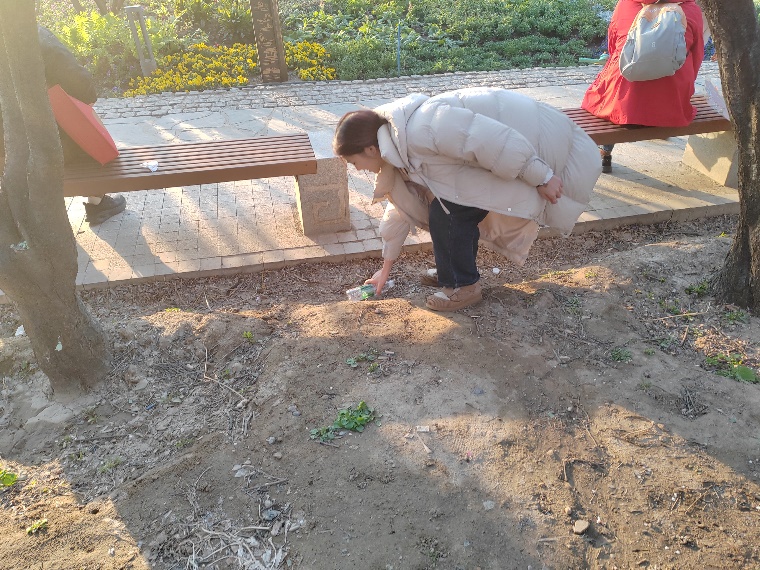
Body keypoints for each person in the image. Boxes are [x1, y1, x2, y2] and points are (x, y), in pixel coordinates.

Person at [333, 87, 602, 312]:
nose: (359, 170)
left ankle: (463, 286)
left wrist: (542, 177)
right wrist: (385, 269)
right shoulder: (395, 148)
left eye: (355, 162)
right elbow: (401, 209)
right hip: (512, 148)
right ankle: (453, 273)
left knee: (448, 214)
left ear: (370, 149)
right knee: (447, 209)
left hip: (543, 142)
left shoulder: (419, 129)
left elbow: (493, 141)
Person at [582, 0, 705, 173]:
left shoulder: (625, 4)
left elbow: (614, 48)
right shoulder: (691, 10)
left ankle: (605, 151)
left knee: (610, 94)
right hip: (672, 107)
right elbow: (697, 55)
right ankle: (660, 121)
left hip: (624, 106)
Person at [39, 26, 126, 225]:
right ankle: (97, 203)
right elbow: (73, 75)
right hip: (54, 146)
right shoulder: (33, 34)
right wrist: (87, 97)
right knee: (93, 144)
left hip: (9, 150)